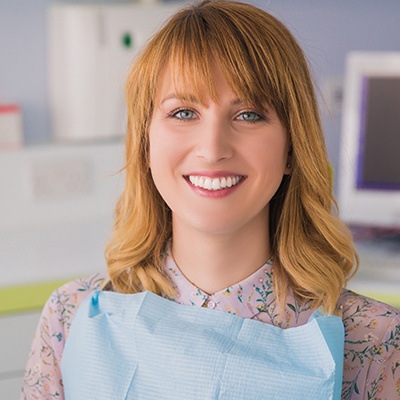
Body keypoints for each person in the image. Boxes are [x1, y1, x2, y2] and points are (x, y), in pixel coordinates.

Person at [22, 1, 399, 399]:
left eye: (249, 115)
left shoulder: (375, 343)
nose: (212, 147)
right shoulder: (71, 315)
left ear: (292, 148)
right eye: (183, 112)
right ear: (146, 144)